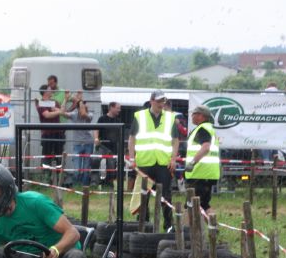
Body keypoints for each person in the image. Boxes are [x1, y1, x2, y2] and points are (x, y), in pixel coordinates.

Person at [128, 90, 179, 230]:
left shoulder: (170, 118)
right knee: (143, 194)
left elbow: (175, 140)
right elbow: (132, 139)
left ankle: (168, 224)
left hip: (163, 163)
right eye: (158, 101)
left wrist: (173, 159)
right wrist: (132, 158)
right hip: (144, 162)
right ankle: (144, 222)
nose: (161, 104)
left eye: (163, 101)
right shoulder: (140, 116)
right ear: (151, 101)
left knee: (166, 195)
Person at [184, 105, 220, 211]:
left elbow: (206, 147)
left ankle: (186, 228)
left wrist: (192, 162)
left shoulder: (203, 129)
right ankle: (213, 227)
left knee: (190, 205)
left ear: (201, 116)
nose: (191, 116)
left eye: (194, 114)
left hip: (200, 173)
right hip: (207, 173)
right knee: (203, 205)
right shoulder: (208, 128)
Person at [64, 92, 94, 187]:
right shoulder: (74, 114)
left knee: (85, 168)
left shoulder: (89, 114)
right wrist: (66, 99)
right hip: (77, 144)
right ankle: (76, 186)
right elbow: (62, 112)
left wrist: (79, 101)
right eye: (83, 104)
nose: (85, 105)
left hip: (88, 143)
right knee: (77, 168)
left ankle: (84, 187)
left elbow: (84, 114)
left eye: (84, 104)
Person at [36, 84, 64, 168]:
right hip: (47, 133)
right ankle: (46, 176)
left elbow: (62, 111)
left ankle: (58, 176)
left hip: (58, 132)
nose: (51, 90)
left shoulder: (55, 102)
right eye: (49, 89)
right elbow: (47, 115)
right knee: (46, 157)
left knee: (59, 155)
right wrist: (58, 111)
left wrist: (57, 111)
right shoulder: (41, 103)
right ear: (45, 92)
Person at [94, 101, 122, 184]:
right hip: (101, 146)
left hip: (113, 147)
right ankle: (94, 181)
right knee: (95, 160)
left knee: (111, 165)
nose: (119, 110)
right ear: (111, 108)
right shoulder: (102, 119)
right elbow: (96, 129)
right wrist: (96, 138)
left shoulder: (118, 120)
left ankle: (109, 183)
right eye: (117, 108)